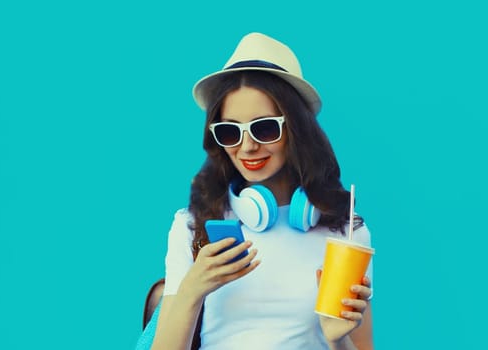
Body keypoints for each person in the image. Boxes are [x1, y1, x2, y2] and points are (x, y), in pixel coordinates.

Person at [150, 32, 374, 350]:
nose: (248, 147)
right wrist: (191, 291)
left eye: (264, 127)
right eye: (230, 132)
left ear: (296, 128)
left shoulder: (347, 233)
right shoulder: (192, 225)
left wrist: (335, 338)